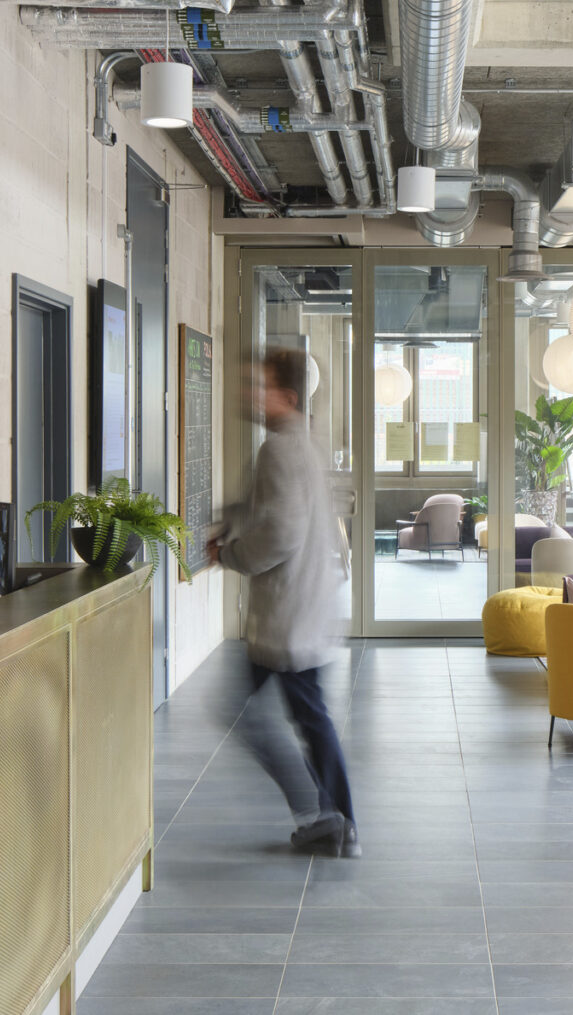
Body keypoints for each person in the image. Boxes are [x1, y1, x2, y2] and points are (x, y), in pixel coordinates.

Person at [209, 343, 357, 856]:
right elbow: (273, 509)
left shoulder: (278, 449)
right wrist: (233, 517)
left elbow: (281, 532)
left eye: (262, 387)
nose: (252, 394)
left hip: (288, 617)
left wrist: (229, 555)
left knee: (249, 713)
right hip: (305, 611)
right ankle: (336, 820)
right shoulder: (302, 444)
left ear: (287, 396)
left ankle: (325, 814)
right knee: (308, 716)